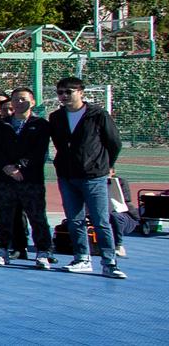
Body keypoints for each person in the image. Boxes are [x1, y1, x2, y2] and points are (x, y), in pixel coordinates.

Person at [49, 77, 124, 279]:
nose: (64, 95)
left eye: (69, 91)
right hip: (67, 176)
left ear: (81, 92)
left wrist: (107, 165)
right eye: (60, 92)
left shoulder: (98, 115)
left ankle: (109, 262)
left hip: (94, 176)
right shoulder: (56, 117)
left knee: (100, 221)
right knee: (75, 220)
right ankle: (82, 258)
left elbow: (114, 142)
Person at [0, 87, 52, 268]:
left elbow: (39, 152)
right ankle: (2, 249)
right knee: (4, 217)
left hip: (31, 180)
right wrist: (6, 167)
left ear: (32, 102)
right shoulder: (1, 125)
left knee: (37, 217)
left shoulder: (41, 125)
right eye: (16, 99)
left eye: (23, 99)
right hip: (5, 180)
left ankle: (43, 251)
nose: (19, 102)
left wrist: (20, 167)